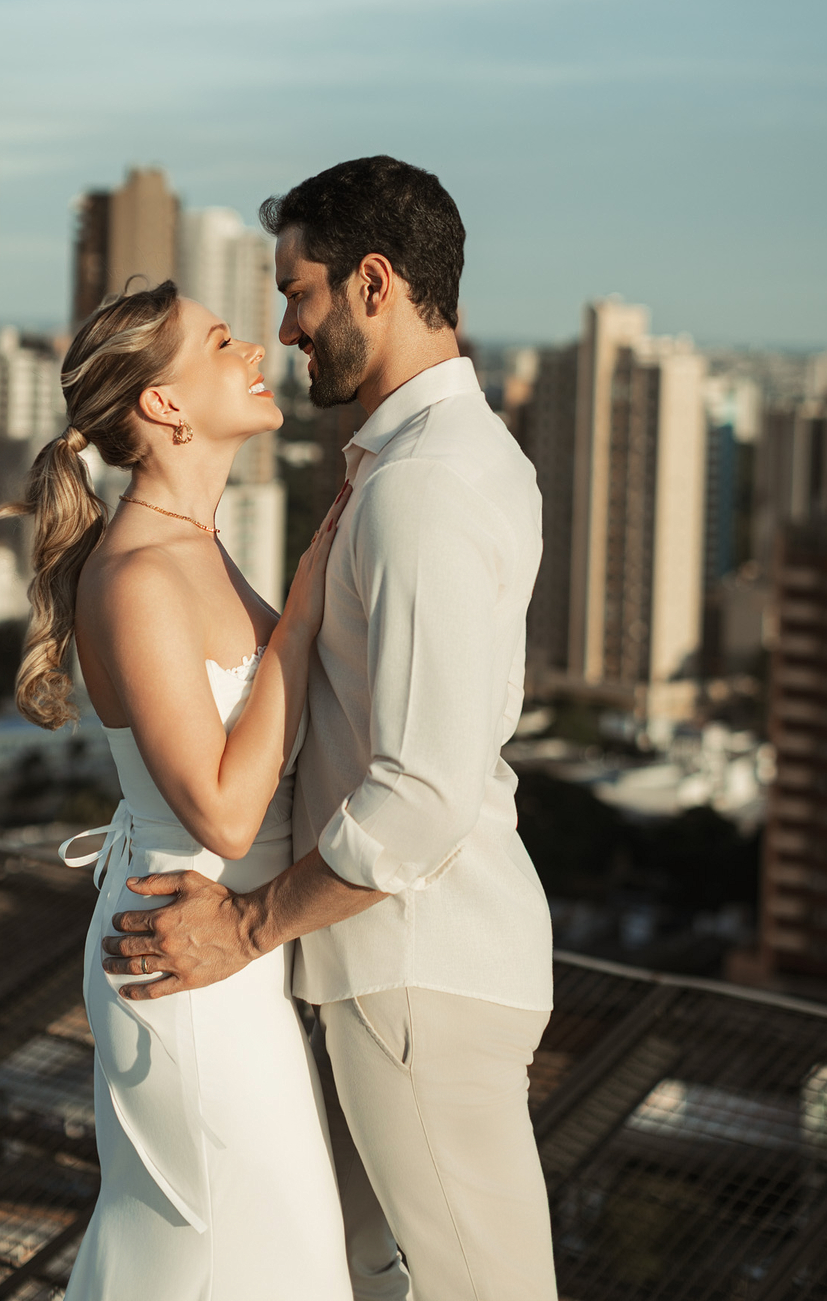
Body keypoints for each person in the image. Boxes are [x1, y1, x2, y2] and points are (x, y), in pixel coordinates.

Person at [102, 156, 558, 1301]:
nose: (285, 327)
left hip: (416, 970)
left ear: (372, 284)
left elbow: (421, 796)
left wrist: (249, 926)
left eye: (298, 292)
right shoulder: (414, 467)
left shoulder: (425, 486)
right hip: (378, 964)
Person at [0, 282, 354, 1301]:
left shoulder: (200, 548)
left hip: (222, 955)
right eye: (220, 340)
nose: (256, 349)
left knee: (228, 1259)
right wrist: (307, 609)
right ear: (164, 406)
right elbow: (226, 810)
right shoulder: (140, 577)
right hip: (185, 968)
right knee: (256, 1259)